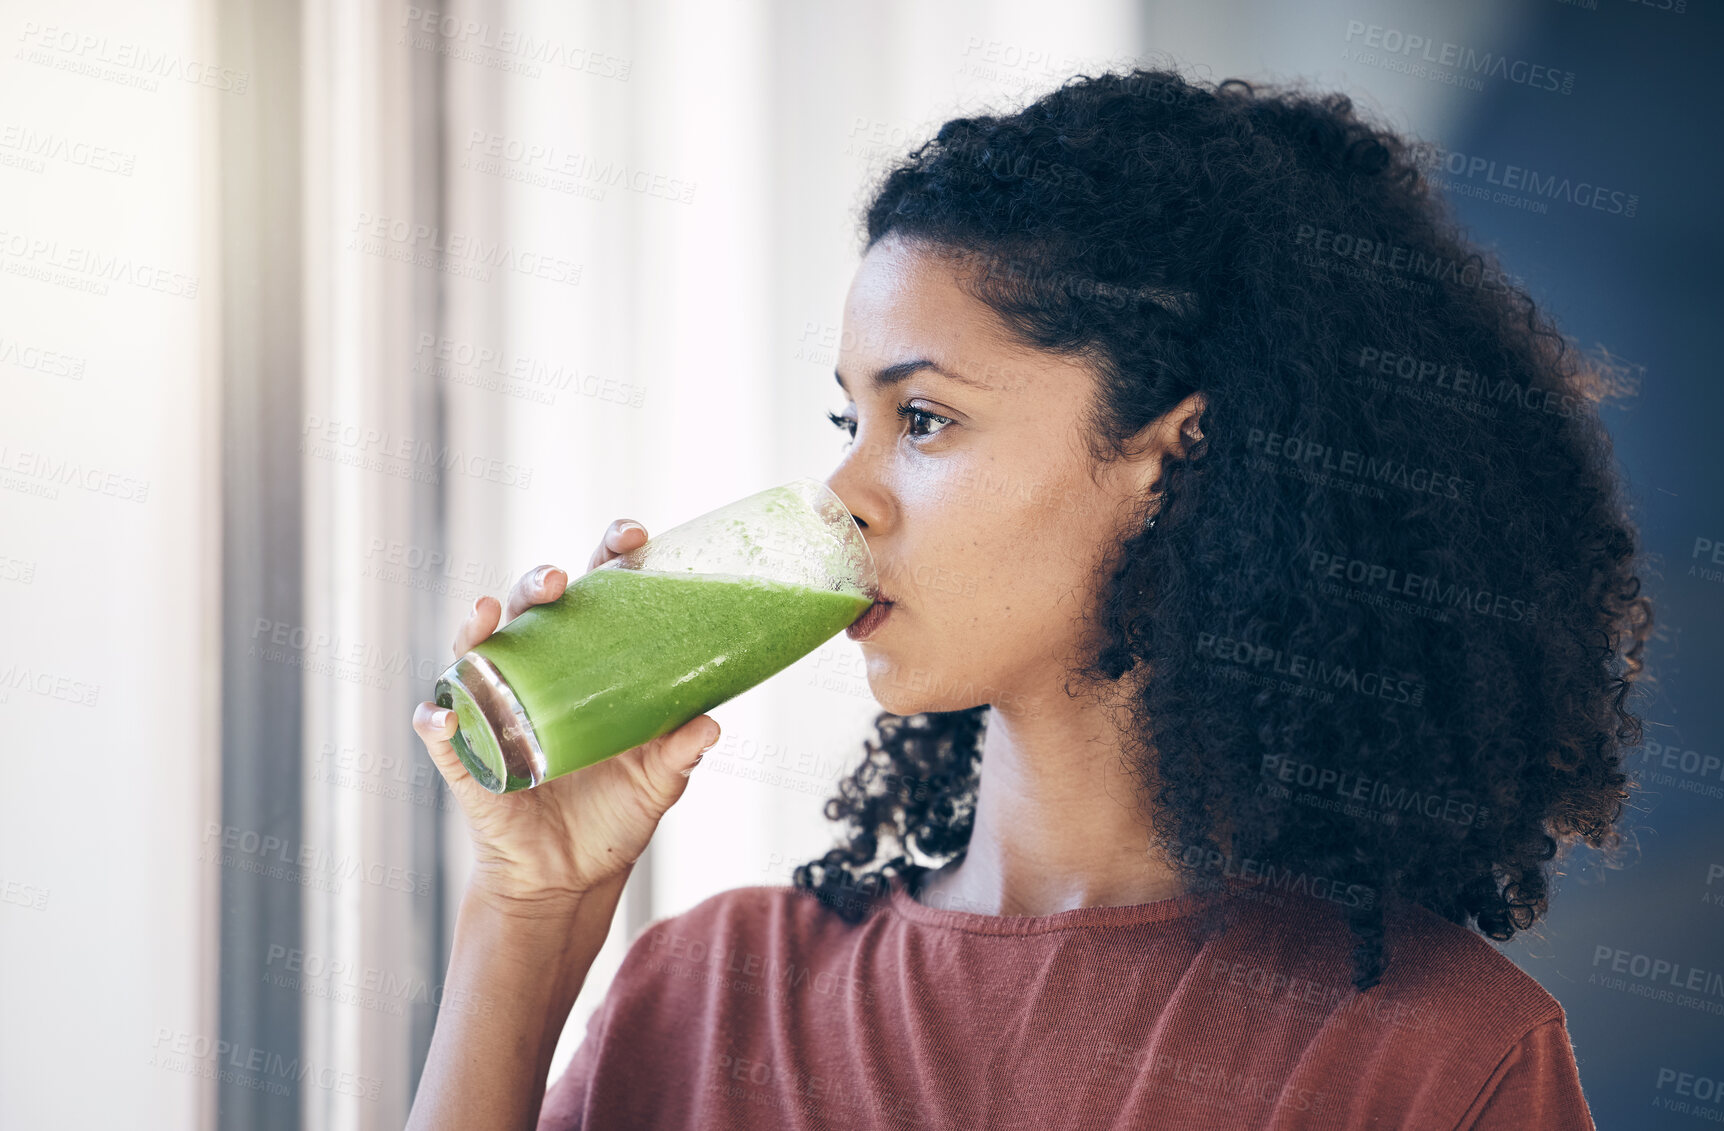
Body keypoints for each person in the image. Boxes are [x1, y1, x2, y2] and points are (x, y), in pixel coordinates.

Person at [406, 67, 1650, 1130]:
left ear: (1174, 451)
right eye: (849, 419)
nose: (840, 494)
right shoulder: (710, 993)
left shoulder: (1432, 1060)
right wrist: (531, 910)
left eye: (924, 420)